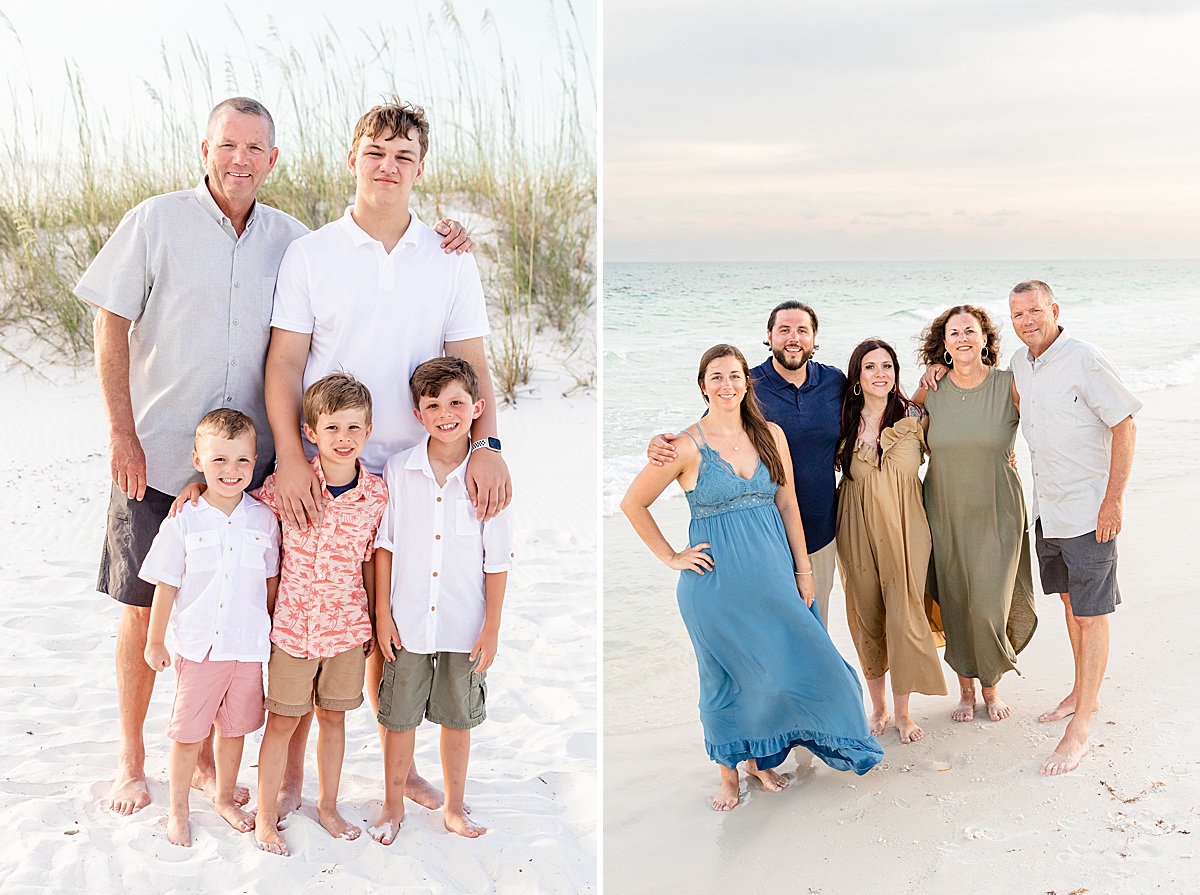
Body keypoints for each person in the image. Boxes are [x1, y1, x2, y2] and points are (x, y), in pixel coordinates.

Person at [74, 95, 470, 817]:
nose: (240, 160)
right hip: (162, 450)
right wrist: (121, 431)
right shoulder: (156, 220)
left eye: (256, 149)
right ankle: (133, 759)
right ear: (205, 147)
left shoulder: (290, 239)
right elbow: (112, 323)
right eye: (229, 145)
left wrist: (453, 235)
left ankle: (226, 753)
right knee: (143, 602)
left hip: (253, 464)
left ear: (274, 159)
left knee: (266, 610)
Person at [263, 97, 510, 813]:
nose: (388, 166)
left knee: (390, 625)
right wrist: (289, 455)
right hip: (331, 466)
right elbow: (284, 363)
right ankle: (291, 775)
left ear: (421, 168)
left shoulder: (450, 256)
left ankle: (395, 772)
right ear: (353, 158)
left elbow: (470, 359)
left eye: (403, 156)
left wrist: (488, 445)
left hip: (418, 469)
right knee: (316, 614)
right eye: (376, 152)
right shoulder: (312, 252)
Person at [622, 344, 882, 812]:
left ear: (747, 382)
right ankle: (728, 775)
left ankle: (762, 760)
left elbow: (787, 505)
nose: (727, 385)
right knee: (723, 680)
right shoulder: (683, 445)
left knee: (800, 666)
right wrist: (671, 557)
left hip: (775, 576)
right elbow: (632, 503)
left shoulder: (771, 435)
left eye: (735, 376)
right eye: (716, 377)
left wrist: (803, 571)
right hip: (715, 588)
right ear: (703, 386)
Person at [370, 357, 515, 843]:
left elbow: (497, 561)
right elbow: (384, 546)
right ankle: (393, 805)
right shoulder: (398, 470)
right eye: (433, 405)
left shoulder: (488, 478)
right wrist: (381, 615)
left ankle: (454, 807)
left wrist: (492, 626)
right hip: (407, 620)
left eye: (456, 403)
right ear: (418, 414)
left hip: (464, 622)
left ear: (477, 408)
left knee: (458, 717)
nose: (445, 413)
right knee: (399, 716)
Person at [251, 374, 388, 855]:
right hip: (291, 631)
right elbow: (239, 508)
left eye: (354, 428)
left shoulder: (376, 498)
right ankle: (266, 818)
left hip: (348, 629)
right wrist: (195, 489)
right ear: (311, 432)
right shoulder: (287, 486)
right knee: (282, 724)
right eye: (332, 429)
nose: (343, 439)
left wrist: (376, 618)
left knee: (334, 721)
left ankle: (328, 806)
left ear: (369, 430)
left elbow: (374, 561)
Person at [1007, 280, 1139, 775]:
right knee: (1069, 604)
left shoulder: (1085, 357)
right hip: (1048, 512)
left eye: (1034, 312)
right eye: (1017, 315)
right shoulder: (1020, 363)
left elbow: (1123, 423)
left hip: (1090, 511)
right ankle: (1085, 692)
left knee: (1092, 613)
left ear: (1054, 310)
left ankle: (1080, 725)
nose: (1026, 322)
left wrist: (1114, 501)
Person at [647, 301, 845, 626]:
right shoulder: (745, 384)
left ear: (814, 337)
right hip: (759, 543)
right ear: (769, 335)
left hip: (819, 535)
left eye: (802, 330)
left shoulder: (834, 382)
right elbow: (710, 438)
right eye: (784, 330)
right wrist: (658, 447)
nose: (793, 338)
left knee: (812, 636)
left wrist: (933, 379)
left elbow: (878, 409)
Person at [139, 409, 281, 847]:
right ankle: (178, 809)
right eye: (219, 460)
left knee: (235, 730)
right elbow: (166, 586)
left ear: (255, 461)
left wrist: (272, 635)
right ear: (198, 460)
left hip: (247, 647)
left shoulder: (264, 520)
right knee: (187, 734)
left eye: (241, 461)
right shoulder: (183, 521)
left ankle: (223, 797)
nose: (231, 470)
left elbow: (271, 582)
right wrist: (155, 640)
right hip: (199, 648)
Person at [914, 305, 1037, 725]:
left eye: (971, 330)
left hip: (997, 509)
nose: (962, 338)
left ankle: (992, 685)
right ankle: (967, 689)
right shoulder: (932, 388)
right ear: (943, 344)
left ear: (985, 338)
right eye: (954, 333)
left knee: (987, 604)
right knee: (956, 601)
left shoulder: (1010, 385)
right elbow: (900, 429)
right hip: (943, 508)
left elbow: (1045, 426)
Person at [835, 340, 946, 745]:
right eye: (870, 367)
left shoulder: (916, 415)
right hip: (856, 528)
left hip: (906, 527)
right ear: (858, 377)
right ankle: (878, 707)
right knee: (866, 614)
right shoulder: (841, 421)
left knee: (904, 613)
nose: (880, 373)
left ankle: (903, 712)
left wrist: (1006, 456)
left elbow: (955, 446)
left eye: (887, 366)